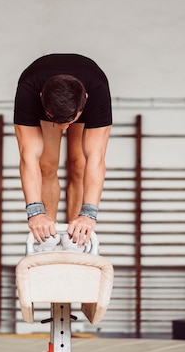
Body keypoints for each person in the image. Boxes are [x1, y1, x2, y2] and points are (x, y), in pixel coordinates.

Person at [14, 53, 112, 251]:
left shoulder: (97, 90)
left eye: (69, 122)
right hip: (43, 96)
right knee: (46, 164)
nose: (64, 128)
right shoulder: (29, 89)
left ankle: (76, 236)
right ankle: (46, 233)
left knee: (80, 164)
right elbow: (28, 157)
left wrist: (89, 214)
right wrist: (35, 213)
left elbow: (96, 158)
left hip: (85, 97)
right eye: (59, 122)